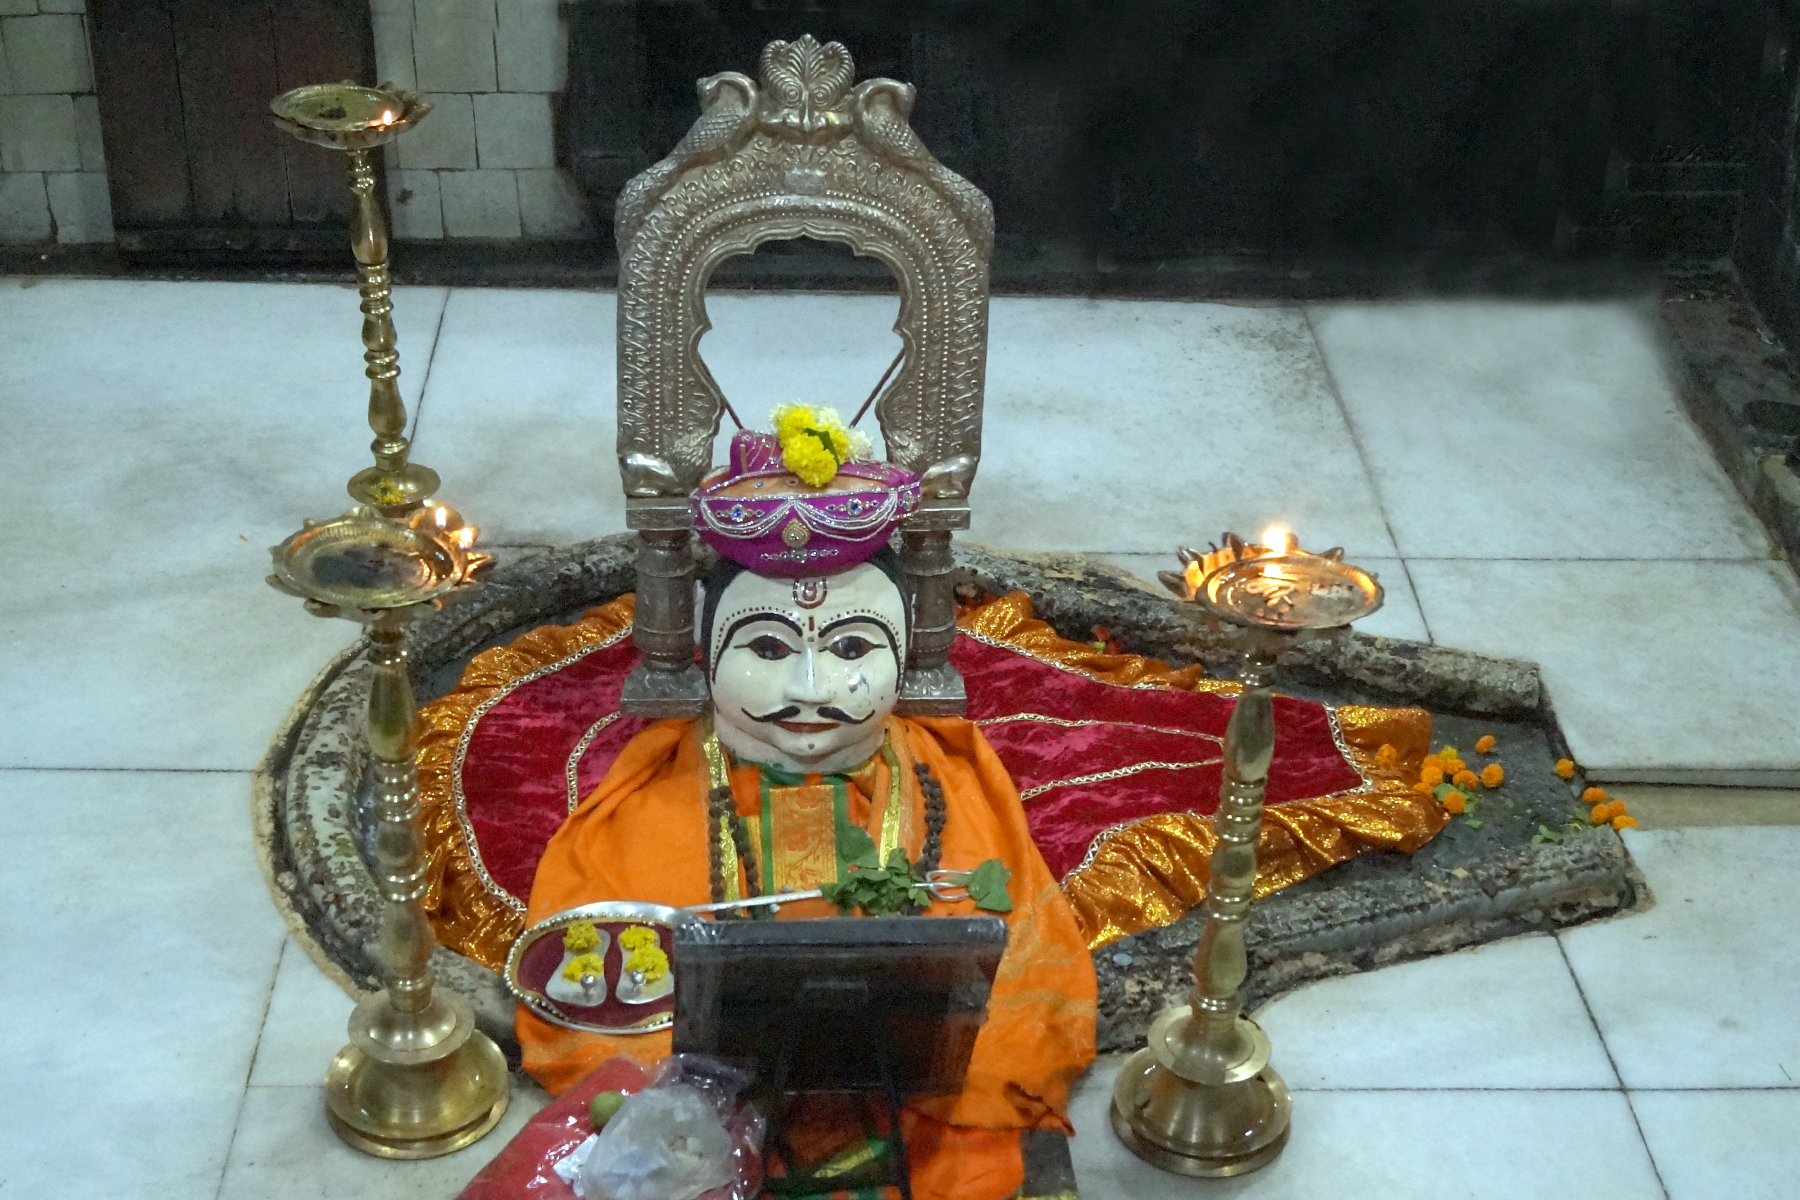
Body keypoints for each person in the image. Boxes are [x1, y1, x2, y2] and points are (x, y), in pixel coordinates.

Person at [519, 414, 1096, 1200]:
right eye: (766, 649)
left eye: (855, 649)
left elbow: (1030, 1006)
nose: (812, 690)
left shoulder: (954, 790)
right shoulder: (643, 814)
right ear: (707, 652)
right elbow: (591, 1012)